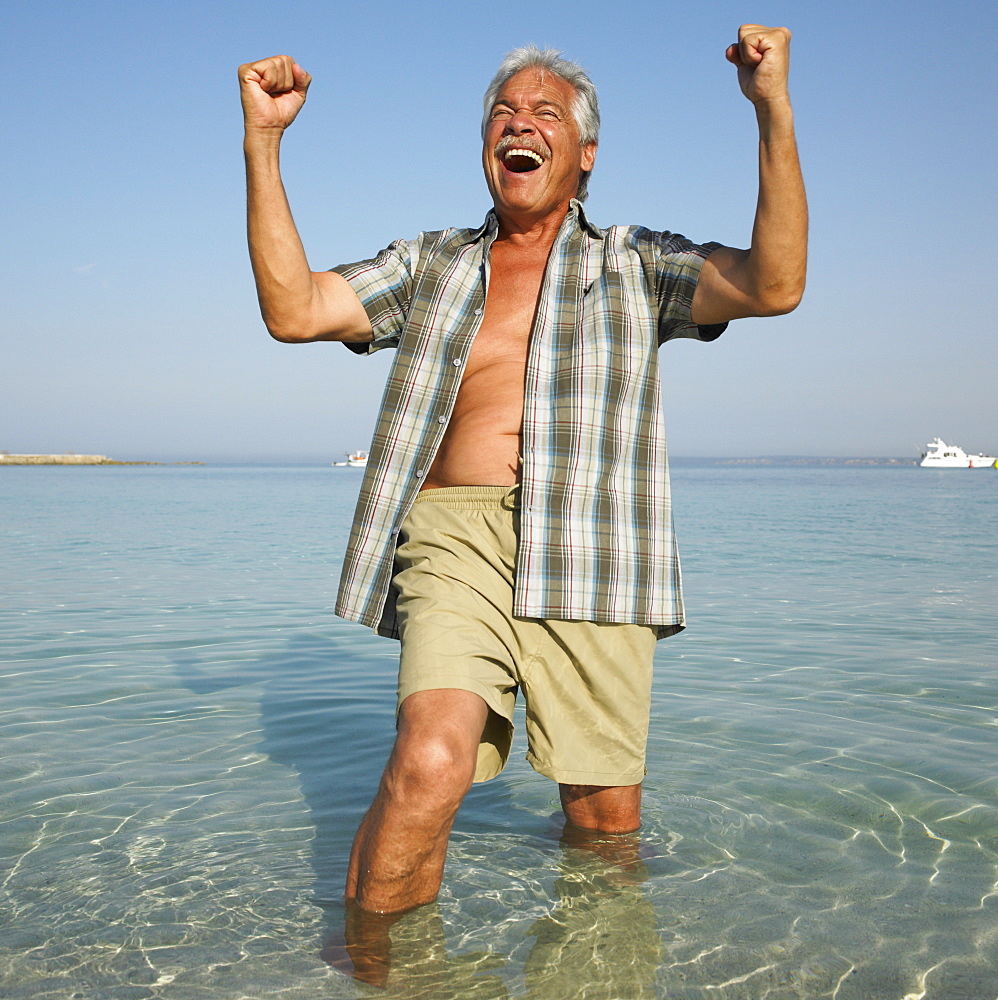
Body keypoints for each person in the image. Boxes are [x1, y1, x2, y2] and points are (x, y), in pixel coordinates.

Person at [238, 25, 806, 919]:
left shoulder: (635, 261)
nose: (519, 121)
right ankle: (377, 975)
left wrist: (770, 108)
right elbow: (294, 309)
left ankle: (594, 972)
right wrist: (264, 143)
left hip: (593, 545)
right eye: (502, 111)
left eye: (545, 111)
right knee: (430, 762)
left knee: (605, 822)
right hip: (454, 534)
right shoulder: (432, 263)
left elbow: (774, 284)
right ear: (487, 151)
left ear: (583, 155)